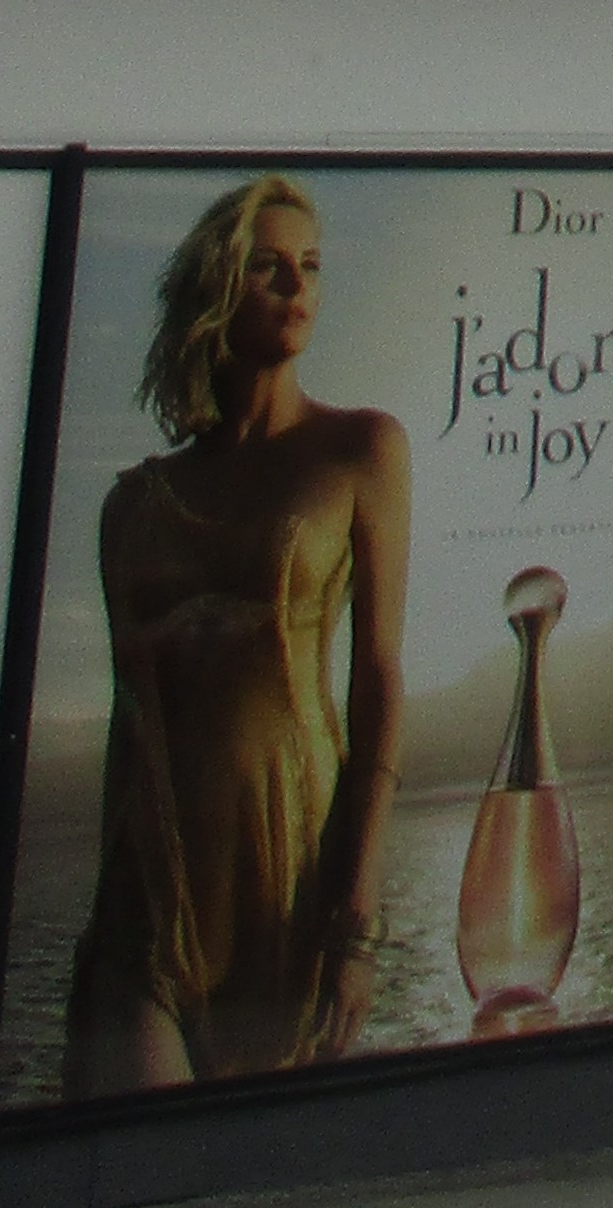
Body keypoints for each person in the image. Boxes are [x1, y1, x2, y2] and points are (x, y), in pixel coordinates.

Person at [64, 175, 409, 1091]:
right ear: (218, 287)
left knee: (252, 1175)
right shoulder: (132, 505)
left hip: (291, 882)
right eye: (269, 269)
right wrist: (97, 932)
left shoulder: (360, 451)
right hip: (152, 898)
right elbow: (126, 726)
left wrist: (360, 917)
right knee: (139, 1174)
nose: (298, 290)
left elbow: (377, 682)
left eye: (310, 267)